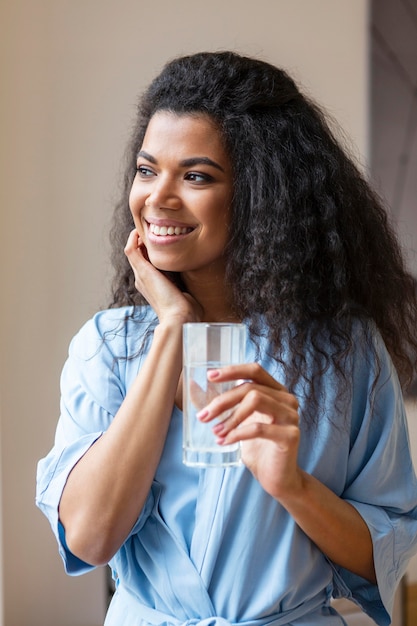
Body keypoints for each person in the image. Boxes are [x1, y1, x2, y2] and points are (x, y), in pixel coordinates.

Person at [36, 51, 417, 626]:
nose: (157, 197)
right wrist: (172, 328)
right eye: (146, 169)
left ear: (262, 194)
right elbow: (90, 538)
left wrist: (291, 485)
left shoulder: (344, 351)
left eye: (195, 176)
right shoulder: (110, 346)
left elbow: (382, 557)